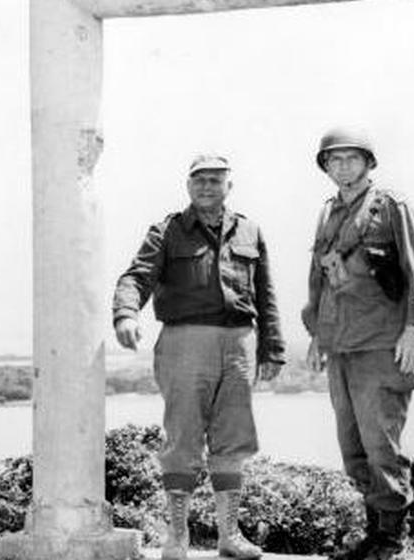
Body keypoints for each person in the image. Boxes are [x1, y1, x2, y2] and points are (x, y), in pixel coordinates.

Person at [113, 154, 285, 560]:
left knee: (234, 437)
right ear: (188, 186)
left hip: (240, 343)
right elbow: (136, 277)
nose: (207, 187)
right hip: (184, 342)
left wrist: (273, 348)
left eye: (215, 180)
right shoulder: (167, 230)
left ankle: (230, 535)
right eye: (199, 181)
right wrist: (126, 313)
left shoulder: (251, 230)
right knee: (184, 436)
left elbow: (267, 294)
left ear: (229, 185)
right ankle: (177, 537)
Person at [302, 128, 414, 560]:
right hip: (341, 346)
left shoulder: (389, 206)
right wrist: (316, 337)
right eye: (334, 160)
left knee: (382, 445)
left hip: (382, 344)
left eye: (351, 158)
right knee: (353, 445)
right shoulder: (329, 214)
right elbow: (318, 283)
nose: (342, 166)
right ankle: (373, 534)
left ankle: (392, 539)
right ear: (326, 167)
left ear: (368, 162)